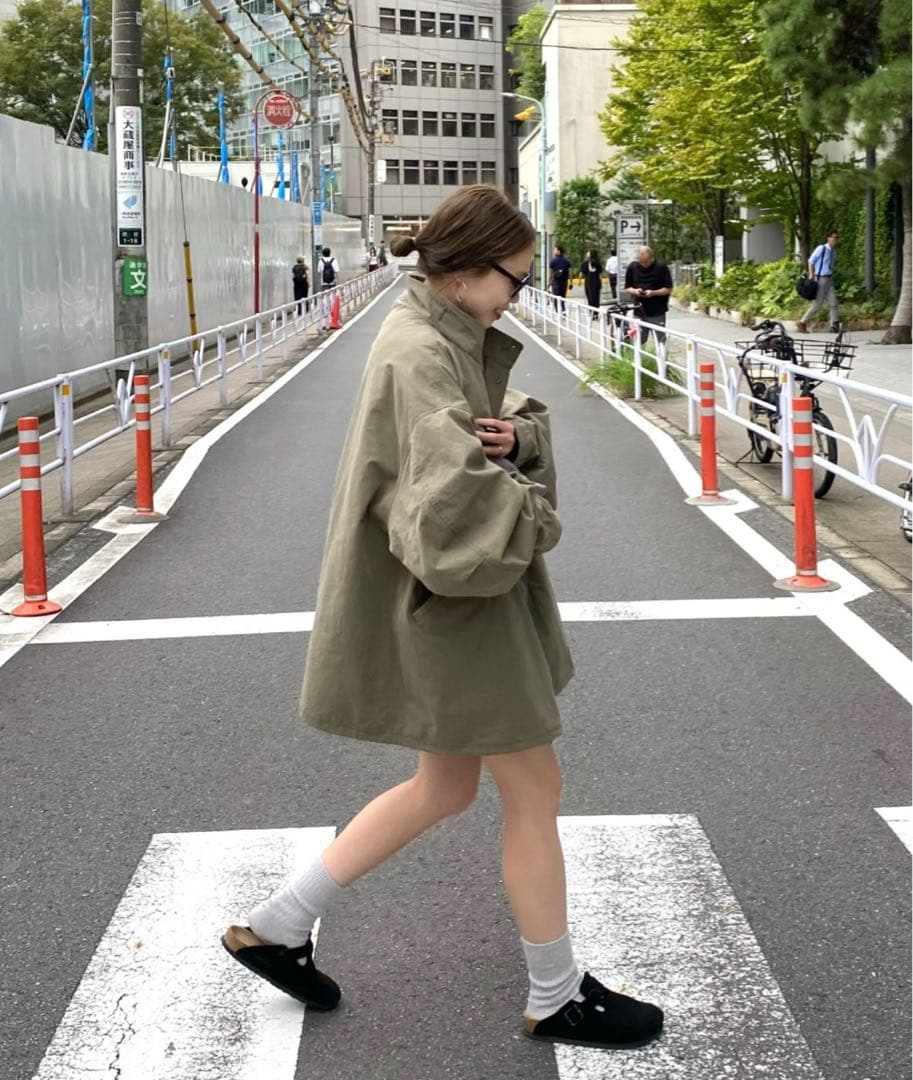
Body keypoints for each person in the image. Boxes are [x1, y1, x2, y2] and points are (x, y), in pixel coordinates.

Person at [221, 184, 664, 1054]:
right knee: (533, 789)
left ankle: (277, 925)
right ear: (464, 269)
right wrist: (538, 514)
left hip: (436, 599)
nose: (518, 297)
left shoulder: (427, 330)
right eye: (514, 278)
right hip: (456, 602)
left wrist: (518, 439)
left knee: (445, 786)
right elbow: (453, 509)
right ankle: (555, 995)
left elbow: (478, 437)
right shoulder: (422, 350)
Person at [624, 245, 673, 344]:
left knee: (660, 341)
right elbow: (627, 287)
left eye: (646, 262)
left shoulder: (661, 267)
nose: (644, 265)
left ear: (651, 257)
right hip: (639, 310)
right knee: (638, 341)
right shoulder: (632, 267)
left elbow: (668, 289)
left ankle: (661, 354)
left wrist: (653, 293)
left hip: (657, 311)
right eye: (641, 262)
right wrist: (635, 291)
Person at [797, 231, 840, 333]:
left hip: (829, 279)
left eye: (837, 238)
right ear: (828, 238)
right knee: (818, 304)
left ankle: (834, 325)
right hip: (820, 279)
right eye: (834, 237)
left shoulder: (833, 252)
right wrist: (812, 275)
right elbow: (811, 261)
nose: (836, 240)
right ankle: (802, 322)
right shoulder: (822, 248)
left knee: (833, 302)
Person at [580, 250, 604, 318]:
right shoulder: (598, 263)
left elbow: (582, 274)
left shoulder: (585, 263)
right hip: (596, 282)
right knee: (596, 298)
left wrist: (579, 280)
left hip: (589, 282)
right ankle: (596, 313)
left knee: (590, 298)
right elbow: (600, 273)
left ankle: (592, 313)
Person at [548, 244, 572, 312]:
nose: (554, 251)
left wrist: (549, 283)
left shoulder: (553, 261)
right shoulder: (567, 261)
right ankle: (563, 310)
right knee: (563, 297)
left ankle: (557, 311)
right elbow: (570, 273)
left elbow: (551, 274)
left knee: (555, 297)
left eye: (555, 250)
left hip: (556, 282)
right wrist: (571, 282)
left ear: (559, 251)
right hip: (564, 282)